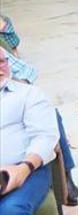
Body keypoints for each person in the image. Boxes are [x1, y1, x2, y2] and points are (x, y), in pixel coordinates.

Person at [0, 51, 61, 213]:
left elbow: (45, 137)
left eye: (2, 62)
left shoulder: (27, 94)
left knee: (11, 210)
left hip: (27, 172)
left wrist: (23, 169)